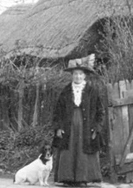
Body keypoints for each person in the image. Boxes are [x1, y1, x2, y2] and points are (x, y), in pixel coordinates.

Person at [52, 54, 104, 186]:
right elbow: (57, 112)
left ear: (84, 76)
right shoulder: (65, 92)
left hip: (86, 126)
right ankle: (67, 179)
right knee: (68, 150)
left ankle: (83, 179)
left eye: (80, 74)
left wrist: (96, 127)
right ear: (72, 75)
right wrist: (58, 127)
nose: (78, 77)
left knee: (83, 149)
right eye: (75, 74)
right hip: (68, 125)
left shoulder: (92, 91)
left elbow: (100, 111)